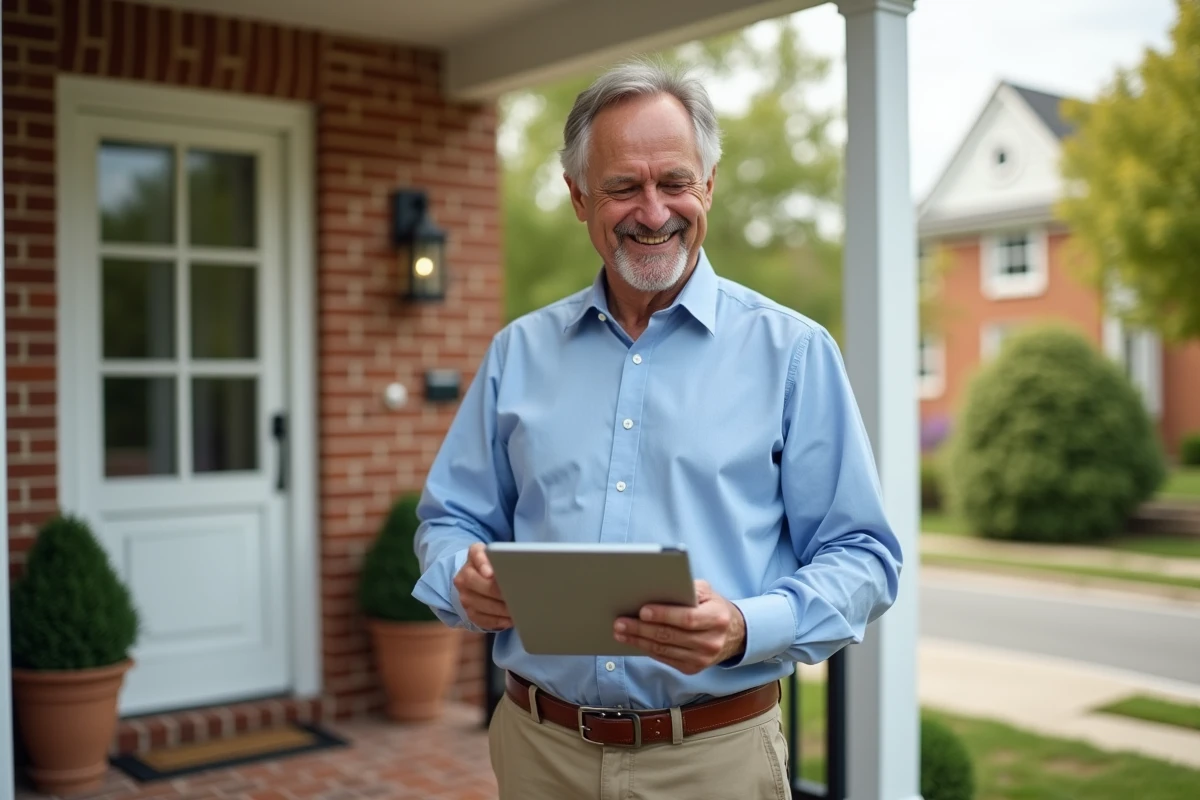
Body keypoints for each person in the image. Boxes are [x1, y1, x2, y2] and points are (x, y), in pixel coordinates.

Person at [412, 57, 903, 799]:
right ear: (580, 198)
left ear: (708, 186)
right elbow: (449, 519)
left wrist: (745, 625)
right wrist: (461, 578)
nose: (652, 211)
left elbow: (865, 556)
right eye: (622, 187)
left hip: (714, 761)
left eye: (674, 182)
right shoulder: (519, 352)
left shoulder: (792, 353)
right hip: (539, 753)